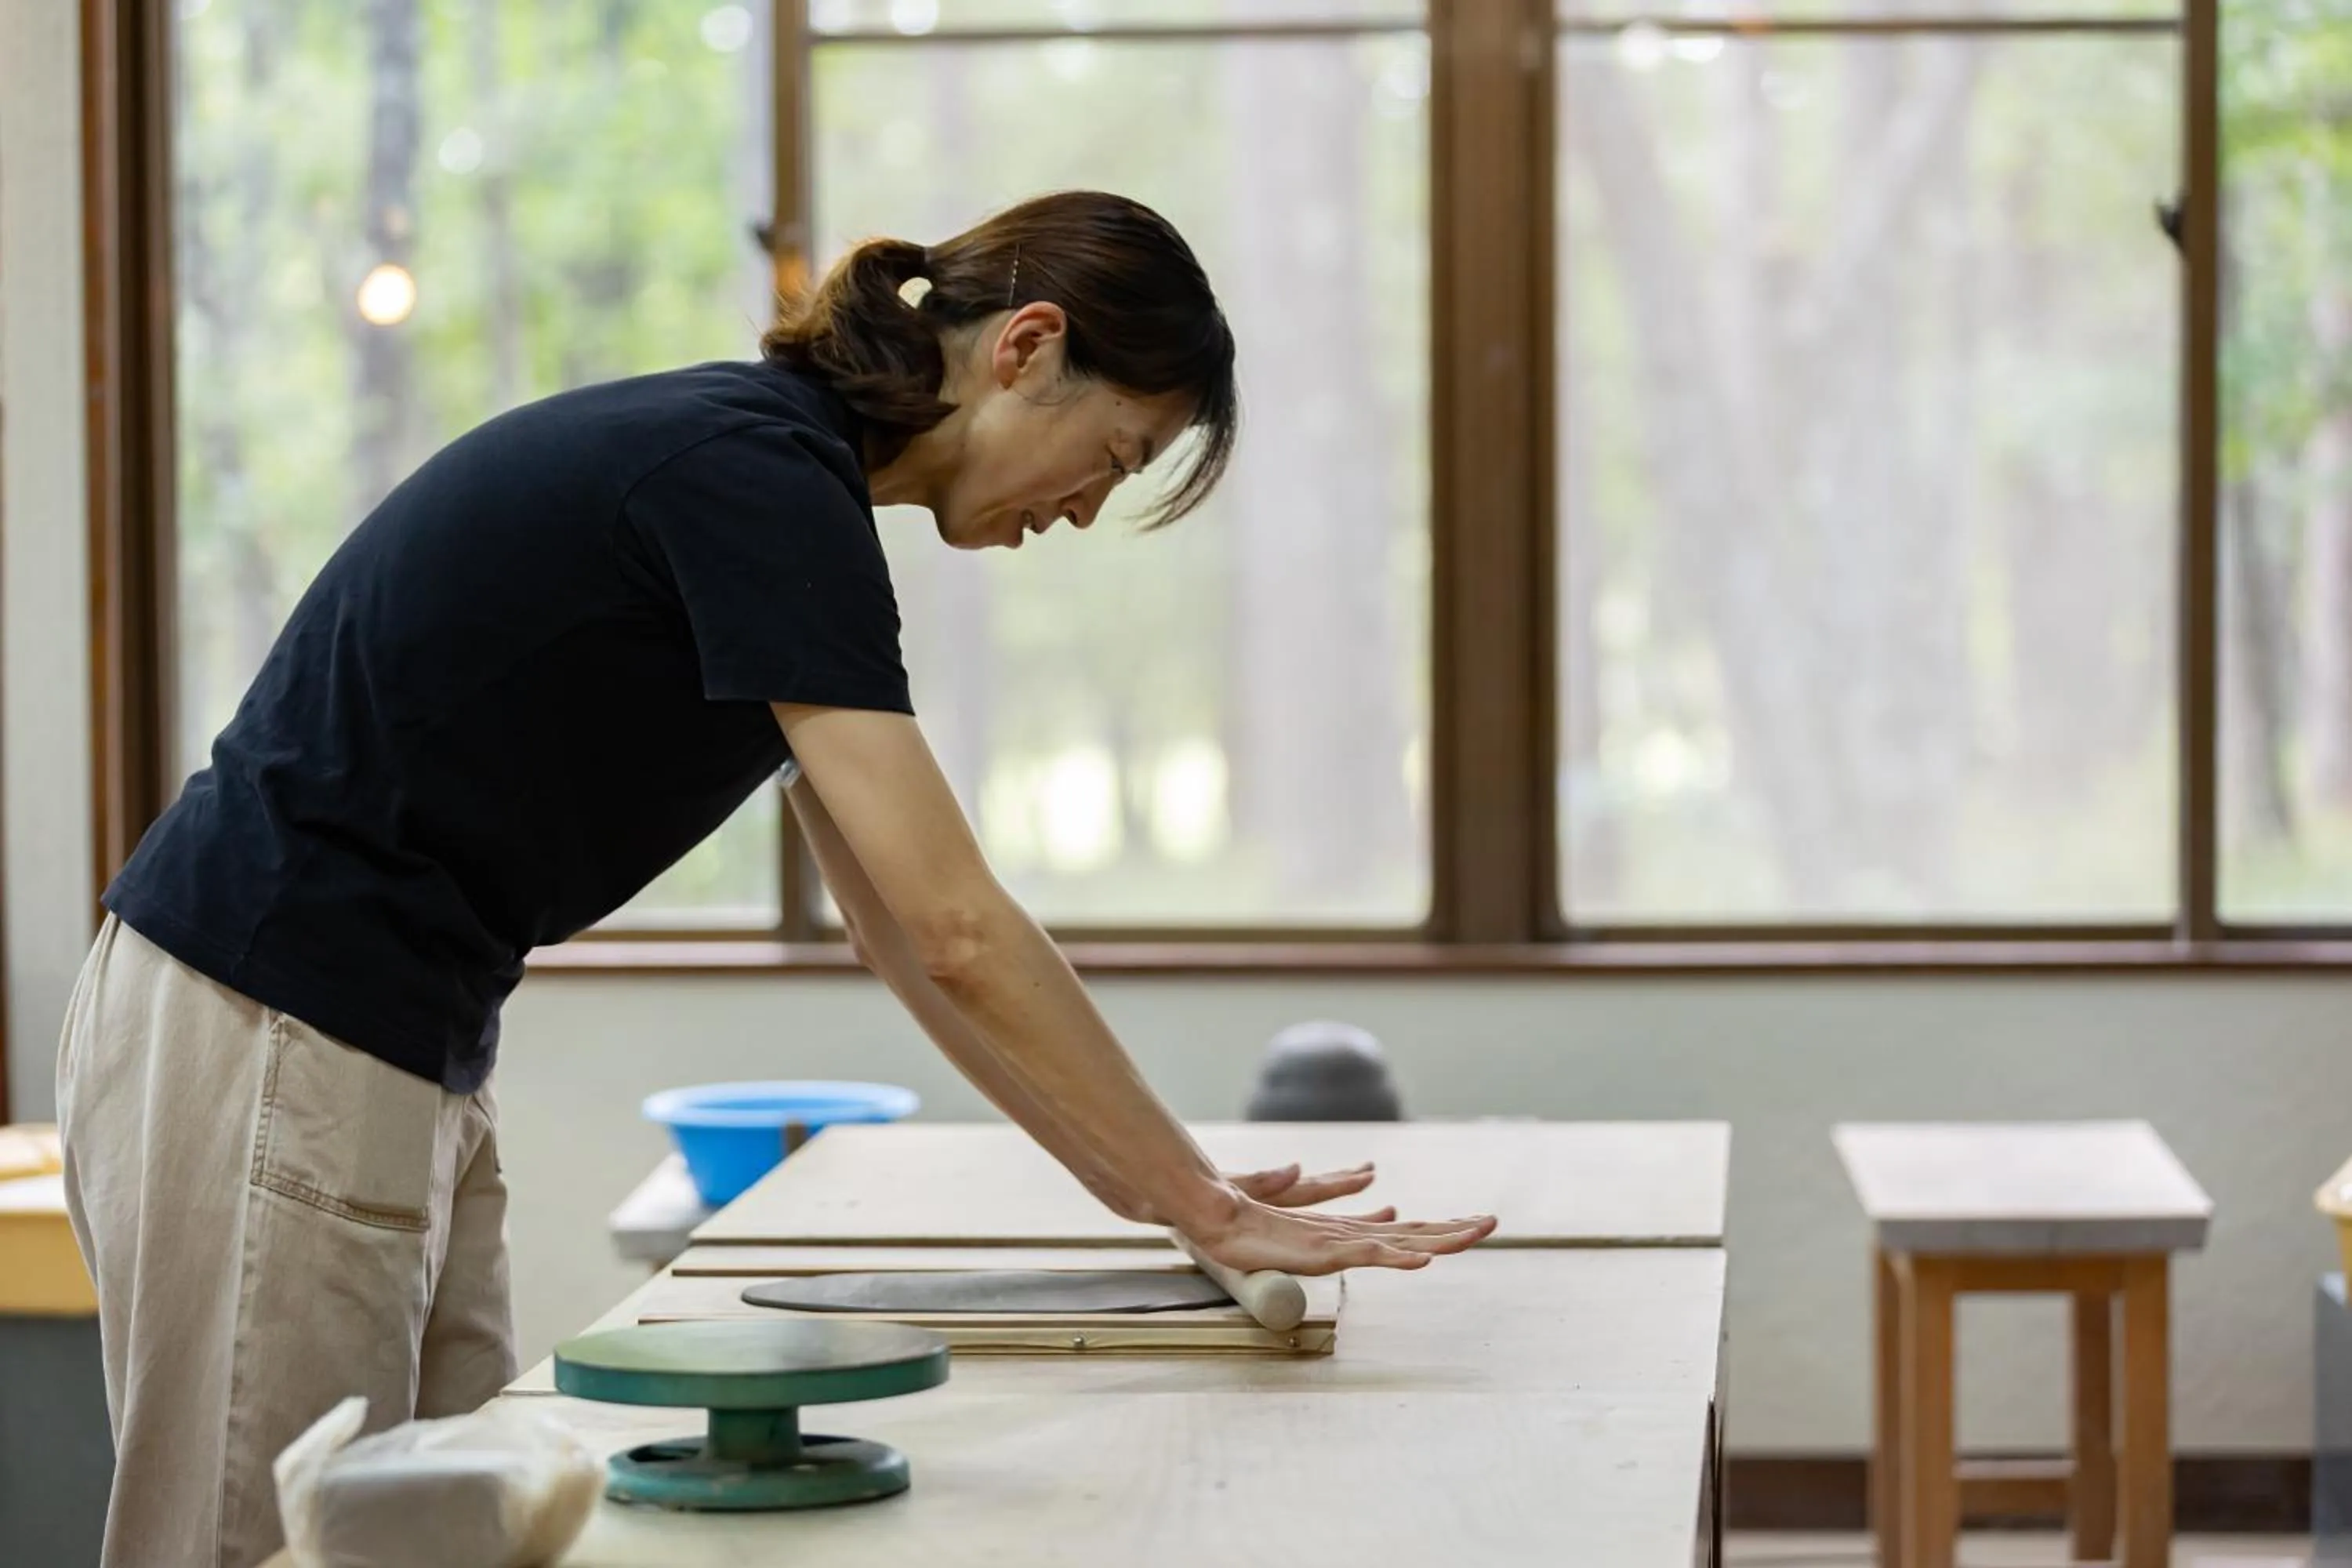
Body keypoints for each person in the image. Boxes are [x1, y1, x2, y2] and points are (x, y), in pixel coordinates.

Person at [53, 188, 1495, 1568]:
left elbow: (903, 937)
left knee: (450, 1528)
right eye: (1113, 459)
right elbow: (956, 929)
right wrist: (1199, 1202)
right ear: (1029, 346)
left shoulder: (780, 496)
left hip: (385, 1034)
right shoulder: (752, 479)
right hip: (269, 1010)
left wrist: (1166, 1194)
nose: (1083, 511)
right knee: (267, 1547)